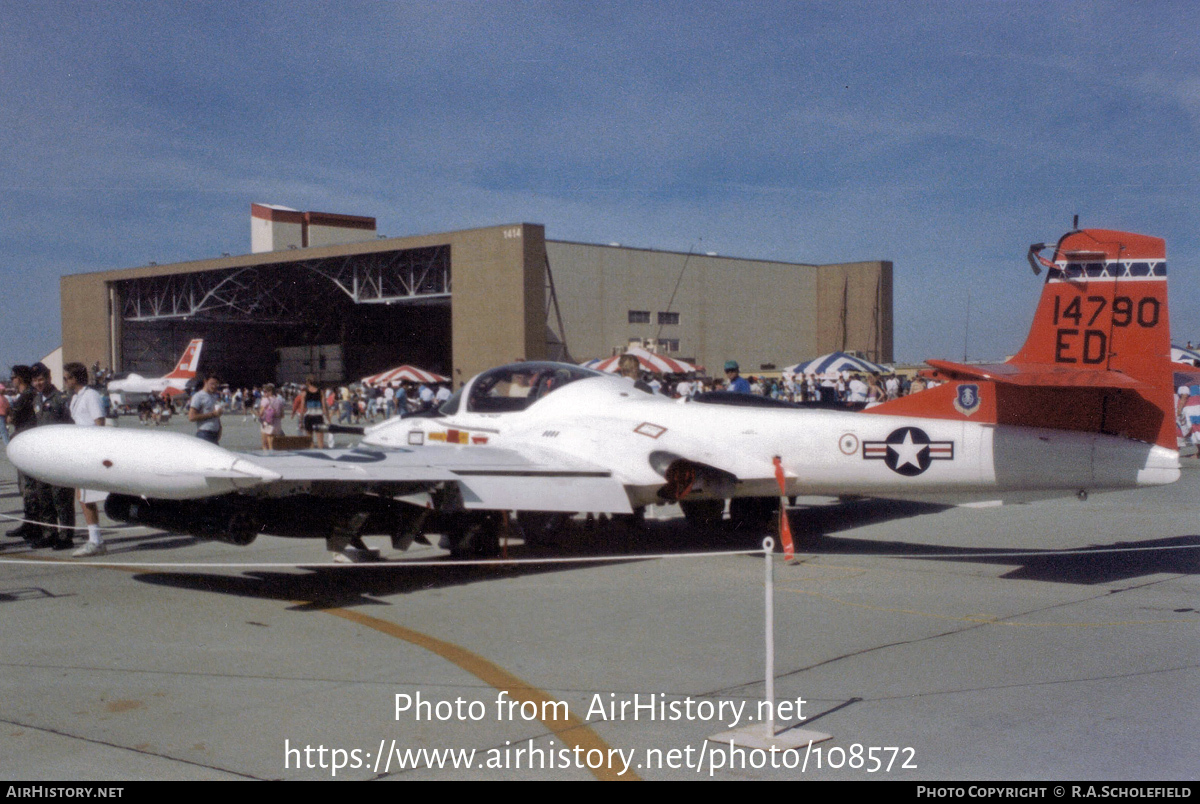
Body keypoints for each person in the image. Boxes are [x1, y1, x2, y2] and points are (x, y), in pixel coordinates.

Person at [63, 362, 108, 557]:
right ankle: (94, 537)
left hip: (89, 451)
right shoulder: (75, 398)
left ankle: (96, 540)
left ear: (74, 379)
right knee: (82, 496)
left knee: (86, 497)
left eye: (66, 378)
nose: (64, 382)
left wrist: (94, 451)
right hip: (79, 450)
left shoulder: (91, 396)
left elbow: (99, 422)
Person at [31, 362, 75, 549]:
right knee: (44, 495)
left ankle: (65, 536)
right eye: (35, 380)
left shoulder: (62, 399)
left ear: (49, 378)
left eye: (41, 379)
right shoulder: (37, 400)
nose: (38, 383)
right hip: (42, 456)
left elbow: (72, 424)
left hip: (59, 454)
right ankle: (49, 532)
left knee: (61, 497)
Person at [7, 365, 41, 543]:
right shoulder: (25, 395)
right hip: (22, 443)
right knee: (25, 487)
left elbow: (12, 416)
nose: (12, 380)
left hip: (28, 445)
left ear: (19, 378)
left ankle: (35, 525)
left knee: (29, 487)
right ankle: (29, 523)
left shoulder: (28, 395)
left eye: (13, 377)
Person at [188, 373, 224, 444]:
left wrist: (220, 427)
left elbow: (215, 414)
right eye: (212, 384)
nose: (214, 386)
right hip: (204, 433)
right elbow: (191, 417)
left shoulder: (213, 396)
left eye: (216, 384)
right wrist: (213, 414)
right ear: (205, 382)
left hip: (215, 433)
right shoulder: (198, 396)